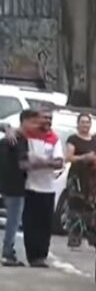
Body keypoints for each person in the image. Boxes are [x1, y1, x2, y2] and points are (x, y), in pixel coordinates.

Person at [20, 109, 64, 267]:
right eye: (44, 117)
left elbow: (59, 162)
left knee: (44, 225)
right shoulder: (28, 135)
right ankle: (32, 256)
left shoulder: (54, 139)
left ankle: (41, 256)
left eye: (50, 118)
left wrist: (40, 163)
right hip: (30, 187)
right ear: (37, 119)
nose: (47, 120)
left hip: (48, 188)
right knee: (29, 224)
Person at [0, 110, 36, 266]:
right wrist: (40, 163)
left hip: (8, 183)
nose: (35, 126)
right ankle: (8, 252)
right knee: (13, 221)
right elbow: (22, 164)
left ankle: (9, 251)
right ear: (25, 121)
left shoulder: (10, 138)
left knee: (13, 220)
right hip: (15, 184)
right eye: (33, 122)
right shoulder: (18, 140)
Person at [64, 113, 96, 248]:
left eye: (87, 122)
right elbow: (68, 157)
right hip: (77, 177)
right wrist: (83, 157)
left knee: (92, 207)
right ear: (78, 124)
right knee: (75, 207)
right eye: (83, 122)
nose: (85, 125)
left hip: (91, 177)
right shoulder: (73, 139)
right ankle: (74, 238)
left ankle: (92, 239)